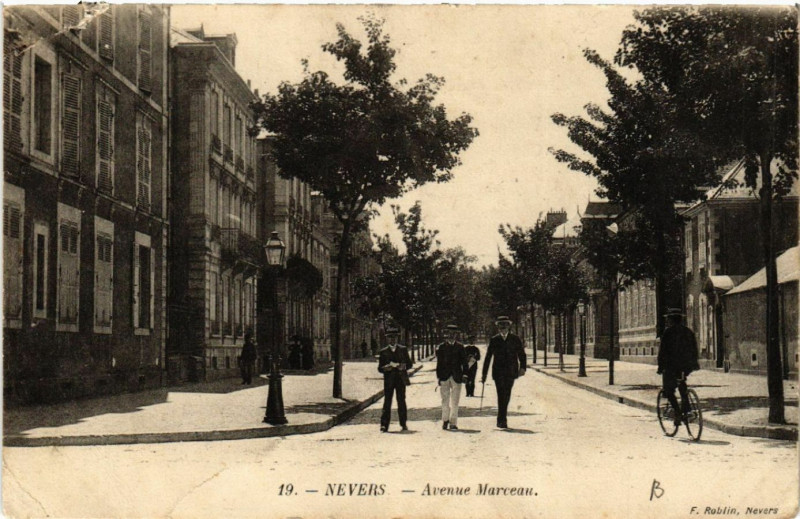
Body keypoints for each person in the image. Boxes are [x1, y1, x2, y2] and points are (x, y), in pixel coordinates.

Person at [482, 316, 527, 429]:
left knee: (506, 394)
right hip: (498, 372)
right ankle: (502, 419)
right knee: (500, 394)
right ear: (498, 328)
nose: (503, 329)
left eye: (505, 326)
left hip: (511, 372)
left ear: (508, 327)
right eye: (501, 327)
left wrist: (523, 368)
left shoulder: (515, 339)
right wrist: (484, 374)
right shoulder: (494, 340)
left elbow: (522, 354)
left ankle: (501, 418)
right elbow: (488, 357)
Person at [657, 308, 700, 426]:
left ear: (671, 320)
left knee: (668, 391)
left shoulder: (668, 332)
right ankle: (687, 409)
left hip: (671, 366)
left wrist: (660, 367)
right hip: (686, 366)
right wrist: (694, 364)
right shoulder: (688, 331)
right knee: (682, 384)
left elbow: (663, 352)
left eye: (668, 319)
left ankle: (677, 413)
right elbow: (694, 349)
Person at [378, 326, 413, 432]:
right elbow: (379, 368)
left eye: (394, 337)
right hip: (388, 380)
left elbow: (410, 364)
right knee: (387, 402)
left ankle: (403, 423)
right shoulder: (383, 352)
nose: (392, 339)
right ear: (387, 339)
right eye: (390, 337)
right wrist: (385, 368)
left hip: (400, 379)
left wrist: (404, 366)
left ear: (397, 338)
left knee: (401, 401)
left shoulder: (403, 349)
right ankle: (384, 425)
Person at [436, 324, 469, 430]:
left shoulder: (460, 347)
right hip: (444, 377)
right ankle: (445, 420)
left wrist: (465, 374)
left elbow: (465, 362)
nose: (451, 336)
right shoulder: (441, 347)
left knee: (455, 400)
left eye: (453, 334)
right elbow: (439, 363)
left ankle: (453, 422)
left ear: (456, 335)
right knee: (444, 400)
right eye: (449, 333)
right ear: (446, 334)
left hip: (457, 376)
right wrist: (439, 377)